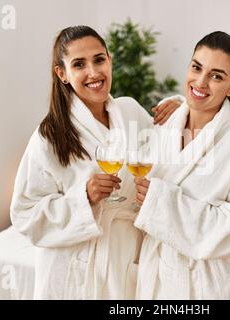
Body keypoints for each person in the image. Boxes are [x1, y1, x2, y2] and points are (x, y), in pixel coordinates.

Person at [10, 25, 179, 299]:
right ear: (62, 74)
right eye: (79, 64)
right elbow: (24, 215)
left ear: (110, 60)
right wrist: (83, 198)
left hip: (123, 261)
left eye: (99, 59)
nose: (93, 72)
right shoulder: (50, 135)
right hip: (72, 270)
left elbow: (172, 146)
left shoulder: (129, 111)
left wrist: (180, 107)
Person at [133, 31, 230, 299]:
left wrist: (160, 201)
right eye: (196, 67)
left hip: (203, 286)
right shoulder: (163, 123)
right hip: (153, 276)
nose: (201, 81)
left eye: (216, 76)